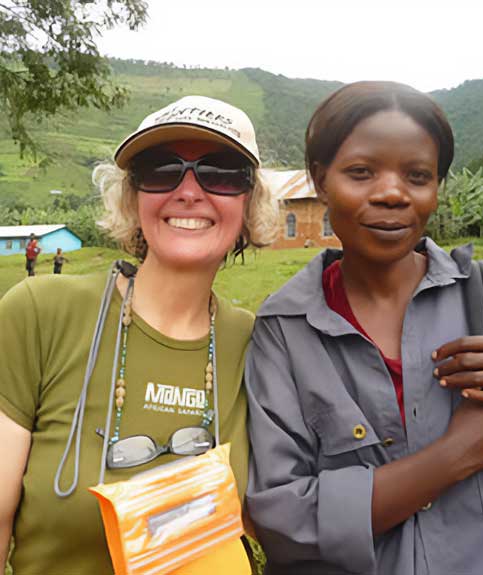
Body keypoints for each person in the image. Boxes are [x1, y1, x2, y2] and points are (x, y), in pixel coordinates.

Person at [244, 81, 483, 575]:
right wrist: (456, 455)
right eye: (361, 172)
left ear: (436, 186)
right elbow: (283, 517)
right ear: (319, 178)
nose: (392, 193)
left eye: (417, 175)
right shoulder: (283, 331)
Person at [0, 95, 276, 575]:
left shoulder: (260, 343)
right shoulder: (40, 313)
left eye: (222, 172)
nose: (189, 191)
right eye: (161, 169)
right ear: (131, 197)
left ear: (250, 202)